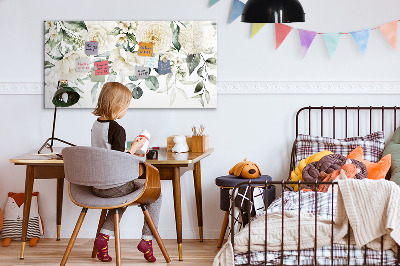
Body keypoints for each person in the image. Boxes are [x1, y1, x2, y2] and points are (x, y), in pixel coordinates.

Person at [91, 82, 161, 263]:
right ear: (117, 105)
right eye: (126, 106)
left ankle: (103, 238)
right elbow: (119, 161)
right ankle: (147, 240)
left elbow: (108, 154)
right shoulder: (117, 129)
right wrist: (136, 148)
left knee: (121, 198)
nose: (126, 110)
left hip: (97, 186)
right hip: (114, 186)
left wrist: (131, 149)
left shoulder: (96, 125)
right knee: (156, 194)